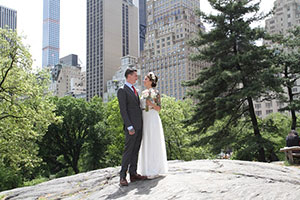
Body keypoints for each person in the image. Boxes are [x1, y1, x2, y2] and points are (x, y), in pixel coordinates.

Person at [117, 68, 147, 186]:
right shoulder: (122, 90)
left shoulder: (135, 90)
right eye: (135, 75)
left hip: (139, 125)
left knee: (136, 150)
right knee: (128, 151)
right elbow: (123, 111)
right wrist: (129, 126)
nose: (136, 77)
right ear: (128, 76)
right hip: (131, 127)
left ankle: (133, 174)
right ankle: (122, 176)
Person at [137, 72, 168, 179]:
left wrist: (151, 105)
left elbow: (159, 108)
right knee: (145, 141)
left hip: (152, 117)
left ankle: (154, 169)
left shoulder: (156, 93)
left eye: (145, 79)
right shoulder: (143, 92)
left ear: (151, 81)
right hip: (144, 117)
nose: (144, 80)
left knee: (153, 141)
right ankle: (144, 169)